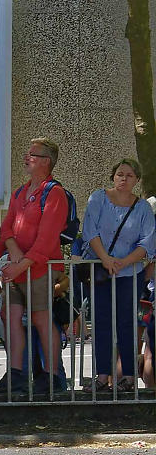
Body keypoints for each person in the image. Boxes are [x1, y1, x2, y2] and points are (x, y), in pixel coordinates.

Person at [0, 137, 71, 398]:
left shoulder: (55, 193)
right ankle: (16, 375)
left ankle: (52, 377)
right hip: (20, 266)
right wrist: (15, 253)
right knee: (10, 316)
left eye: (33, 155)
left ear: (46, 162)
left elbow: (47, 239)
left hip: (41, 268)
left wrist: (21, 264)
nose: (27, 158)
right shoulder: (20, 191)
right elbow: (6, 227)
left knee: (41, 318)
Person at [81, 159, 154, 391]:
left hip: (130, 272)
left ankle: (128, 378)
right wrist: (105, 259)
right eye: (120, 174)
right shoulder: (98, 198)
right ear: (113, 176)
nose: (124, 179)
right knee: (101, 323)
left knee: (128, 324)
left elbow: (148, 241)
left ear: (136, 180)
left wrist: (124, 262)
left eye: (130, 175)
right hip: (102, 271)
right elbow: (90, 231)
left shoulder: (142, 208)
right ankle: (102, 376)